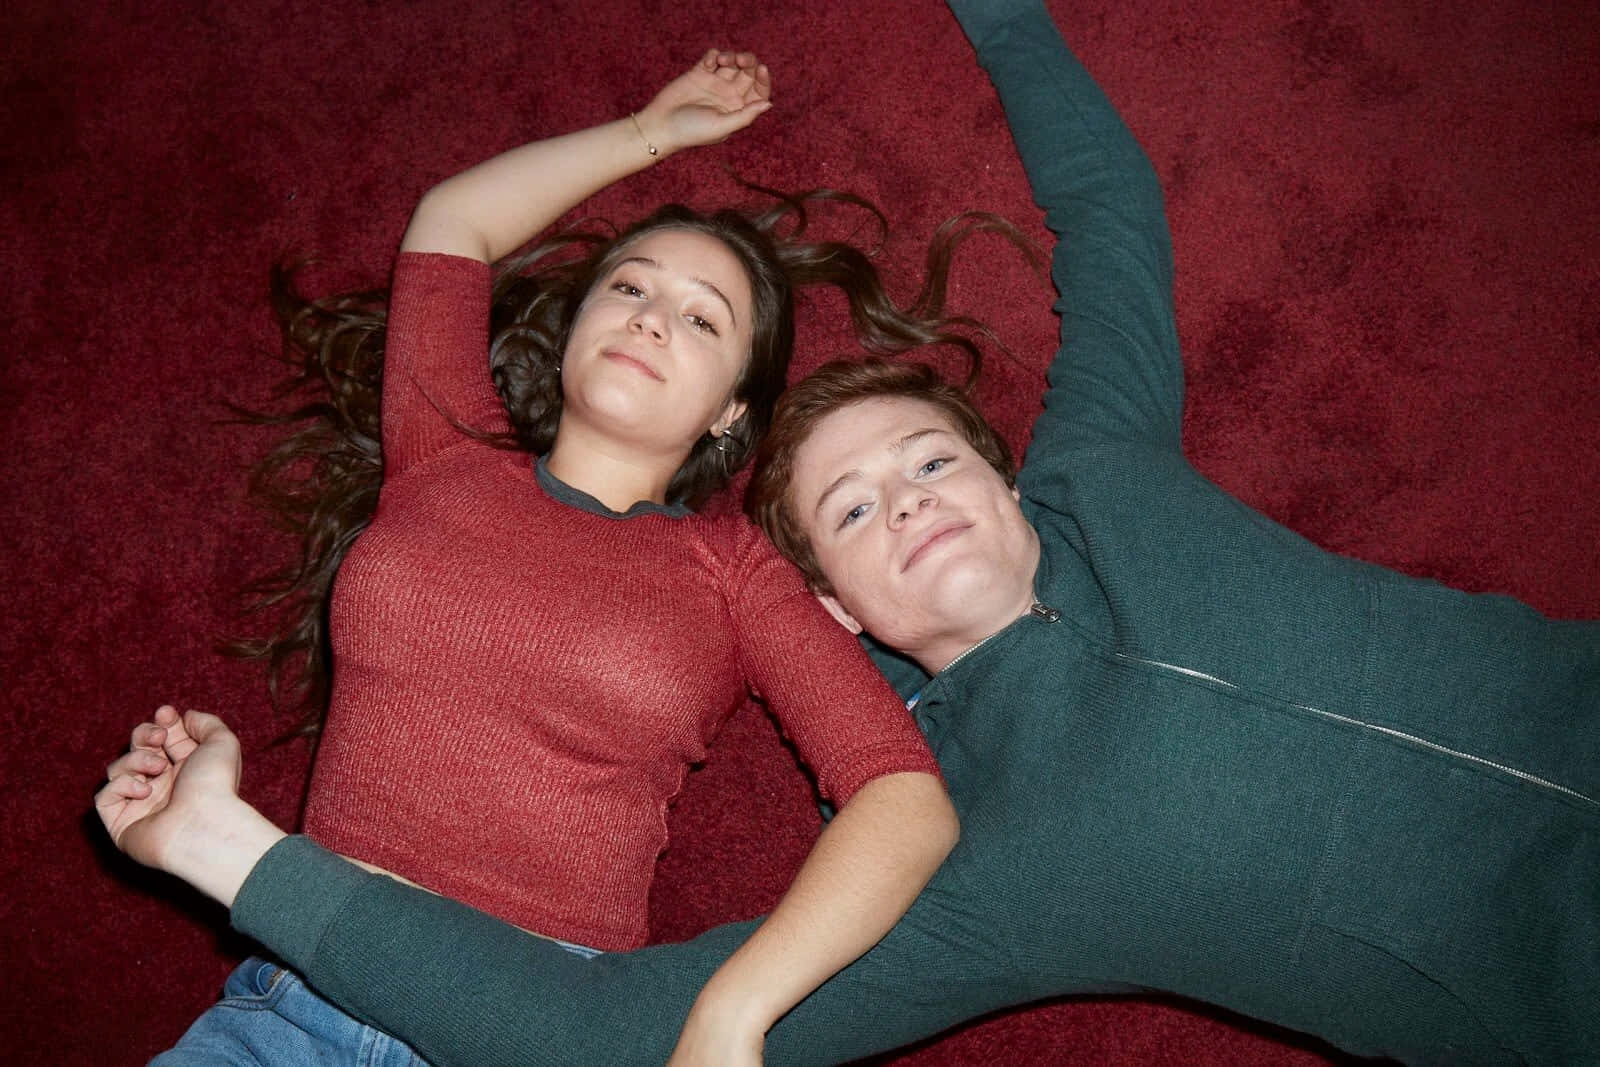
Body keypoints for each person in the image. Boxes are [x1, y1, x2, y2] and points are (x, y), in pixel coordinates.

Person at [99, 0, 1599, 1064]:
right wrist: (253, 857)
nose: (914, 498)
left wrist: (1000, 8)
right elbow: (624, 1029)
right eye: (856, 509)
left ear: (1009, 476)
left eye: (932, 457)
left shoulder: (1105, 469)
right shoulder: (983, 870)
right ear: (838, 606)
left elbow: (1114, 218)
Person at [102, 46, 967, 1066]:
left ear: (732, 406)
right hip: (284, 1010)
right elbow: (452, 226)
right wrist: (654, 132)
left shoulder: (733, 573)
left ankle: (220, 840)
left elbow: (904, 799)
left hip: (523, 1026)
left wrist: (734, 1011)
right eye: (628, 285)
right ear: (573, 327)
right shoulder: (443, 455)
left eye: (701, 318)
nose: (650, 313)